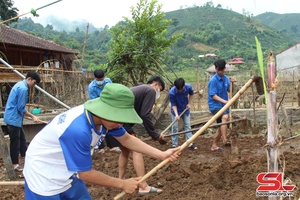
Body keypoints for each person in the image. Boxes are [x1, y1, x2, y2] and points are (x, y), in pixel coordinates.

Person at [23, 83, 180, 199]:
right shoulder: (78, 130)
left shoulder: (106, 120)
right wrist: (122, 183)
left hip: (67, 174)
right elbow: (85, 173)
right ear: (106, 111)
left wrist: (161, 154)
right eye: (119, 118)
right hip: (43, 177)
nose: (121, 124)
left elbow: (126, 139)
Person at [110, 76, 167, 194]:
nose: (158, 93)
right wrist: (156, 135)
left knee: (125, 151)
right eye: (160, 89)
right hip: (120, 121)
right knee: (137, 150)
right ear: (155, 84)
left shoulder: (139, 89)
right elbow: (145, 115)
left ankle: (120, 181)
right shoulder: (150, 90)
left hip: (112, 119)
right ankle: (143, 185)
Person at [3, 71, 41, 172]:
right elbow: (21, 108)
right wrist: (32, 116)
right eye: (34, 83)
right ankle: (15, 164)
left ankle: (27, 159)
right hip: (13, 118)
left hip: (15, 118)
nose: (34, 85)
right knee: (15, 142)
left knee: (22, 140)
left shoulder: (19, 84)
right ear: (29, 79)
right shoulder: (23, 89)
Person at [88, 69, 120, 153]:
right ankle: (100, 147)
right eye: (99, 80)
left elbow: (112, 92)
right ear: (95, 78)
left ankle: (113, 146)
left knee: (111, 125)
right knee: (100, 126)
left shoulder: (108, 81)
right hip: (98, 108)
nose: (101, 81)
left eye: (102, 79)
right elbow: (95, 101)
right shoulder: (91, 87)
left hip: (109, 106)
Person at [208, 59, 234, 151]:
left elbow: (230, 90)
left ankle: (214, 145)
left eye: (222, 70)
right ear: (216, 69)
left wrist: (232, 83)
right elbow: (213, 95)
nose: (220, 72)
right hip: (215, 106)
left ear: (224, 69)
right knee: (225, 117)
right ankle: (225, 139)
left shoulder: (226, 78)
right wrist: (225, 101)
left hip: (224, 106)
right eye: (218, 70)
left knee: (221, 126)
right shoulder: (213, 81)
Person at [169, 78, 197, 150]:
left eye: (181, 89)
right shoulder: (172, 92)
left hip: (185, 108)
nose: (180, 90)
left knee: (187, 125)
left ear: (184, 85)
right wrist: (176, 115)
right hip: (176, 110)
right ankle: (174, 144)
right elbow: (173, 104)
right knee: (174, 127)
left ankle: (190, 143)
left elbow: (191, 94)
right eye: (179, 89)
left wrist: (189, 103)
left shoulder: (188, 87)